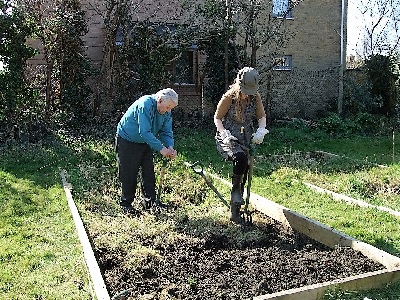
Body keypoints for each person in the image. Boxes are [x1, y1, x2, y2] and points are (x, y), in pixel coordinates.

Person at [214, 67, 269, 224]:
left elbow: (261, 116)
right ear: (239, 85)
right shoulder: (229, 97)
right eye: (245, 90)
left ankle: (235, 210)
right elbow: (217, 118)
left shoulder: (255, 97)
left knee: (245, 165)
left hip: (246, 135)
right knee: (240, 159)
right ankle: (235, 193)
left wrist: (261, 130)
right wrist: (224, 133)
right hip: (229, 136)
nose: (247, 94)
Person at [115, 88, 178, 214]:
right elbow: (144, 132)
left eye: (171, 108)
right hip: (128, 139)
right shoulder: (145, 105)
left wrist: (170, 146)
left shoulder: (166, 111)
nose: (169, 111)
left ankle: (150, 202)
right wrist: (161, 148)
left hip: (145, 141)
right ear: (159, 100)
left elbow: (166, 131)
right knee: (129, 173)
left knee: (148, 172)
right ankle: (126, 204)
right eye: (168, 107)